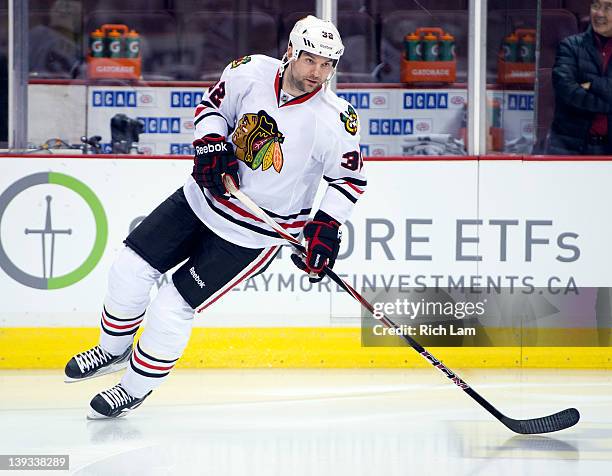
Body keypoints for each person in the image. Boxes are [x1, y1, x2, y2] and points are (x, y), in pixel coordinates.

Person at [63, 15, 367, 419]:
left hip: (252, 234)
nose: (318, 73)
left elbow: (349, 180)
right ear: (290, 52)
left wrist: (325, 227)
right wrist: (208, 144)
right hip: (201, 199)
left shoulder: (335, 119)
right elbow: (212, 109)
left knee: (171, 305)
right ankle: (112, 350)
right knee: (128, 268)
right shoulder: (249, 72)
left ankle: (133, 389)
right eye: (311, 60)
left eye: (328, 64)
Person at [547, 1, 612, 155]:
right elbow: (567, 91)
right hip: (569, 148)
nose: (600, 14)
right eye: (595, 6)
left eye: (609, 7)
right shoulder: (570, 46)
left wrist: (592, 84)